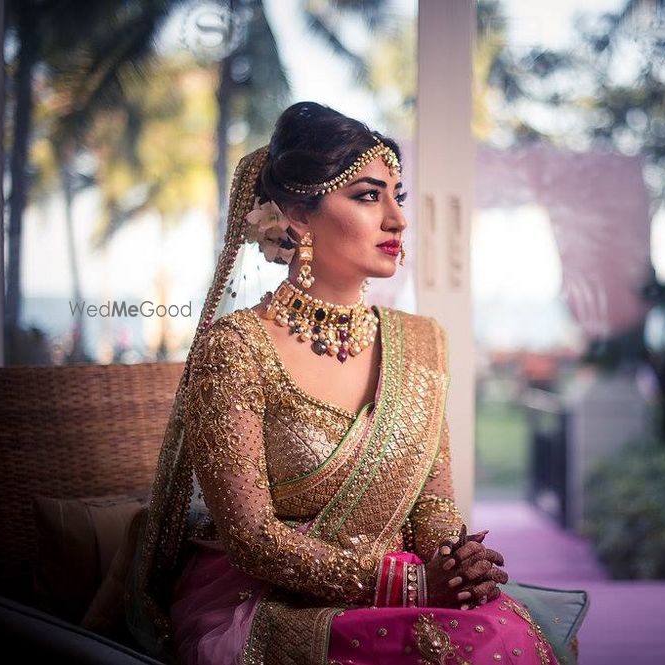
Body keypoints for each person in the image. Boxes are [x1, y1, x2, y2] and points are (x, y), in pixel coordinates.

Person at [125, 102, 578, 664]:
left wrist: (455, 563)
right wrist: (408, 585)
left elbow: (432, 505)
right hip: (277, 601)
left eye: (398, 196)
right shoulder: (237, 349)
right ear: (296, 212)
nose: (397, 218)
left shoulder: (421, 343)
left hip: (404, 589)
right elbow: (249, 538)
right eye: (368, 195)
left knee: (503, 637)